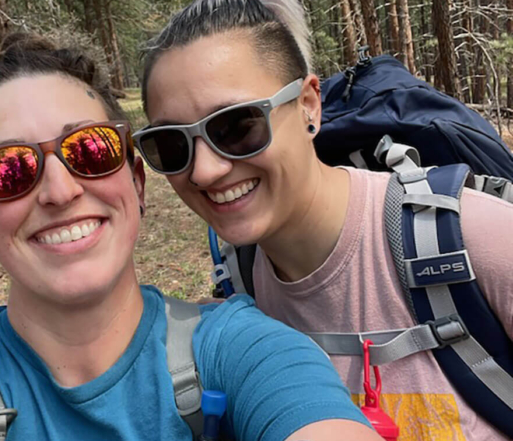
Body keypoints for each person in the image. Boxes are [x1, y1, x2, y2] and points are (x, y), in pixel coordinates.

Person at [0, 34, 380, 441]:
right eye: (8, 170)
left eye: (89, 150)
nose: (60, 190)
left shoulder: (242, 349)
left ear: (136, 182)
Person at [135, 0, 513, 440]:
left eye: (236, 126)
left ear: (309, 106)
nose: (203, 171)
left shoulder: (473, 236)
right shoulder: (239, 288)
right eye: (171, 144)